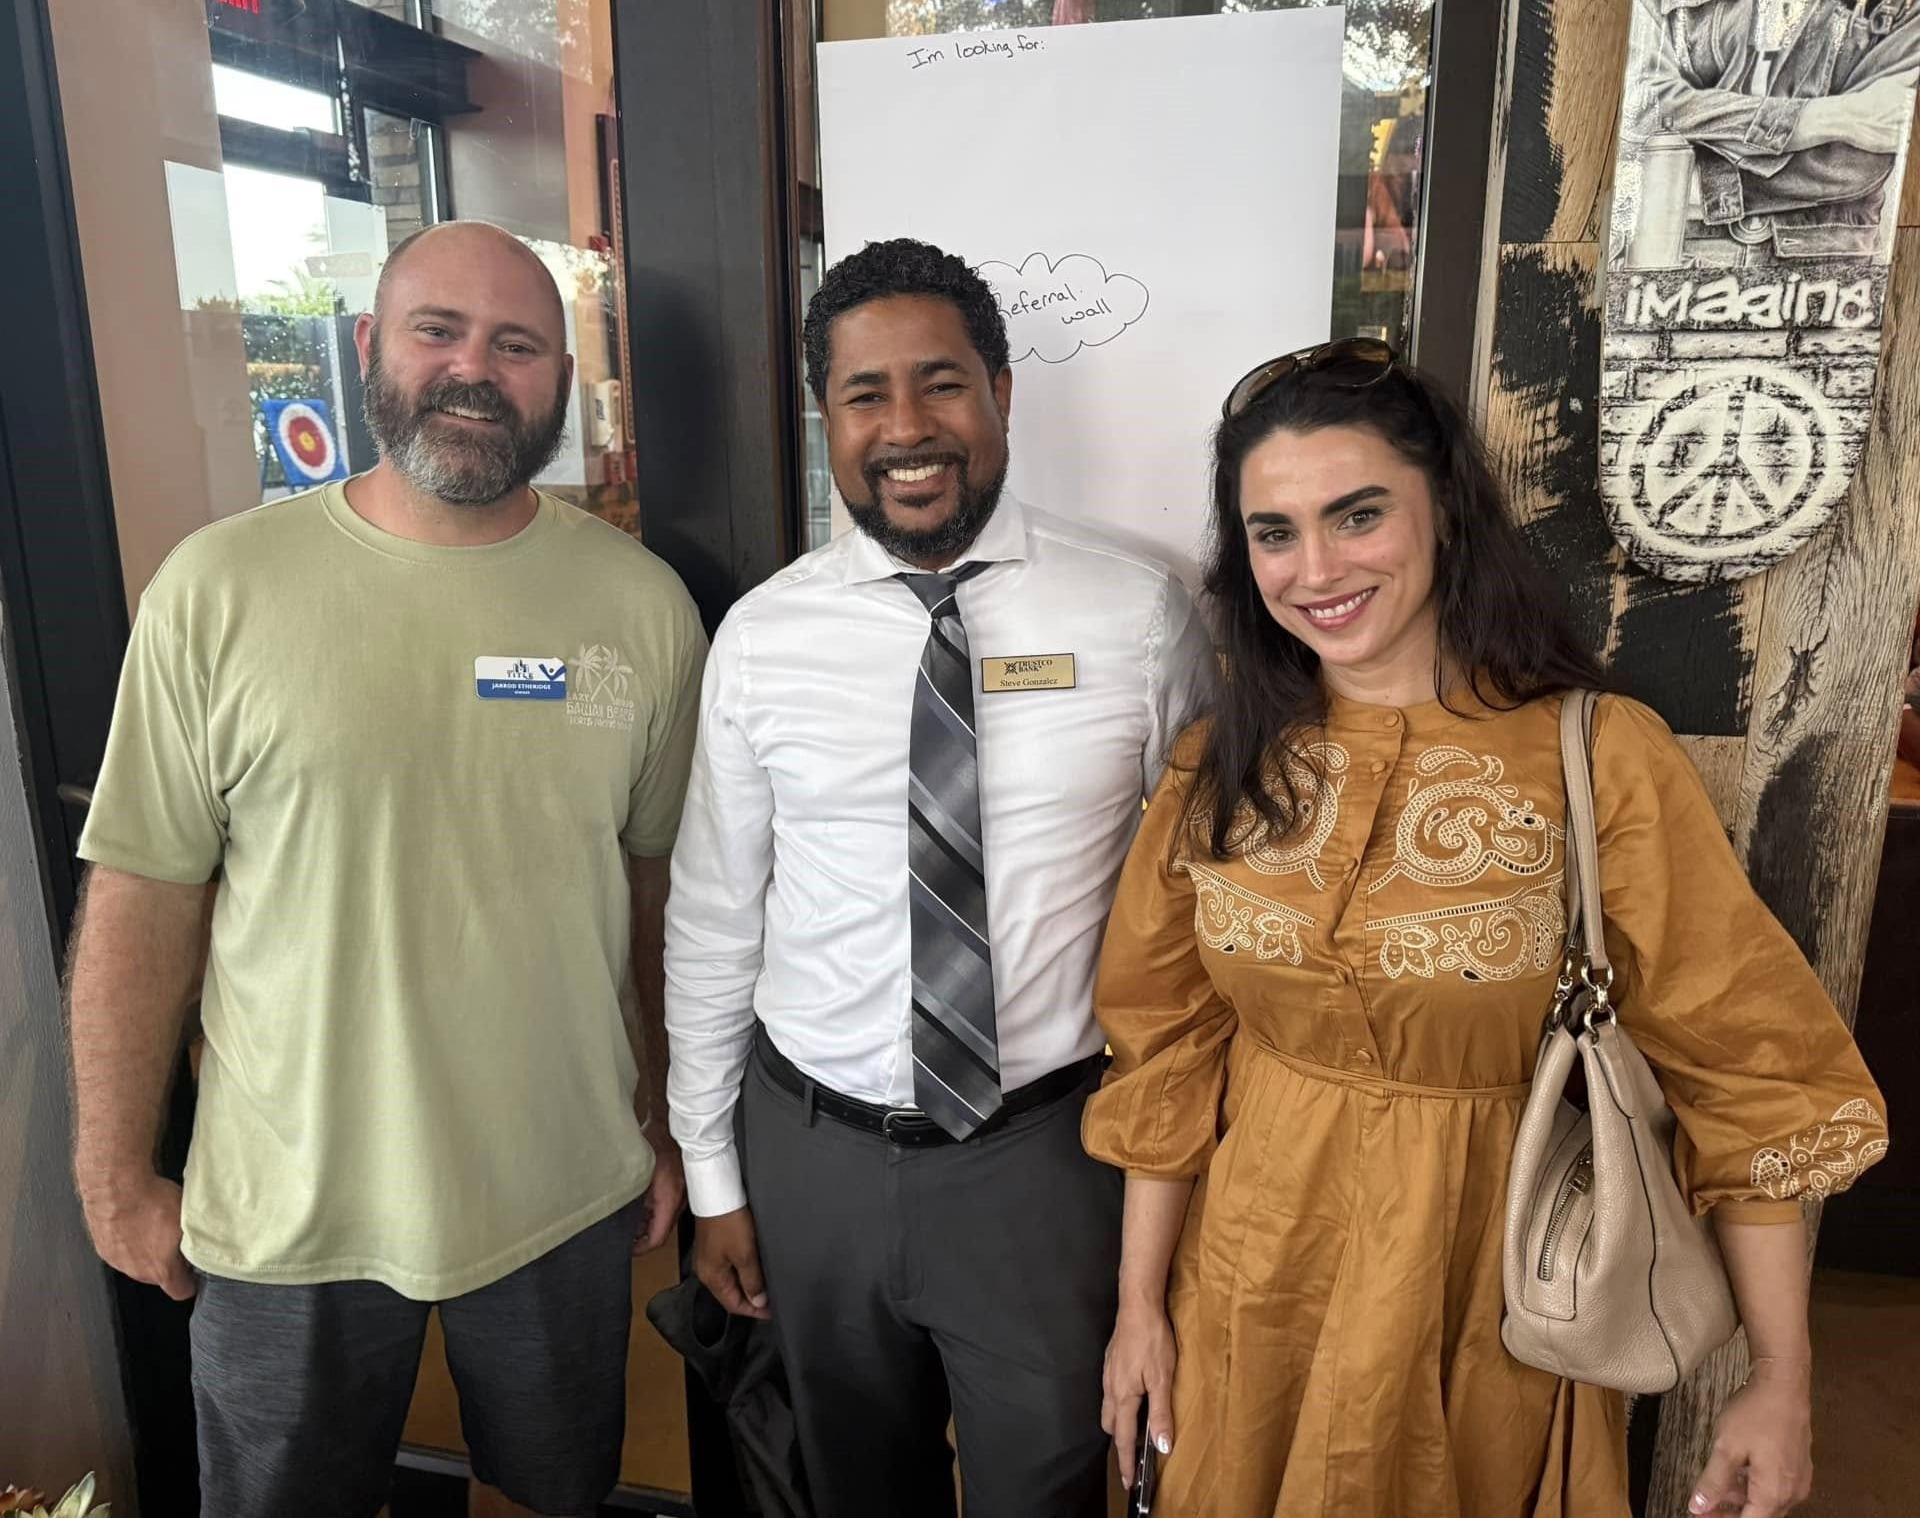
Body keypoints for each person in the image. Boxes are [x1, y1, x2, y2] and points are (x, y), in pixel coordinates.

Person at [1086, 338, 1889, 1518]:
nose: (1316, 567)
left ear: (1448, 513)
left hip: (1483, 1293)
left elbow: (1750, 1073)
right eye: (1275, 532)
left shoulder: (1596, 757)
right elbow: (1165, 1050)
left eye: (1359, 516)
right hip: (1246, 1288)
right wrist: (1139, 1310)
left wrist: (1781, 1377)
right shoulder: (1225, 765)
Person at [67, 221, 707, 1518]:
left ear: (559, 379)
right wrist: (113, 1167)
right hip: (286, 1208)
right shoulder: (219, 591)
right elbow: (144, 897)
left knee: (553, 1500)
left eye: (516, 344)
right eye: (439, 330)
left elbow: (660, 894)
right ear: (370, 347)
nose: (476, 368)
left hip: (559, 1193)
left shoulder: (643, 610)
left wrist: (667, 1119)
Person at [663, 236, 1215, 1516]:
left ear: (1003, 392)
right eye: (865, 395)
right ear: (827, 423)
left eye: (941, 383)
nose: (907, 428)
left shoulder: (1140, 616)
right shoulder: (762, 638)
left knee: (1056, 1485)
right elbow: (711, 919)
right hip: (814, 1162)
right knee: (853, 1486)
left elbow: (1192, 910)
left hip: (1048, 1159)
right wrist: (715, 1178)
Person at [1629, 0, 1920, 260]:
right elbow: (1644, 106)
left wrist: (1684, 181)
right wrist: (1824, 117)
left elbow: (1869, 152)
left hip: (1821, 256)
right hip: (1670, 243)